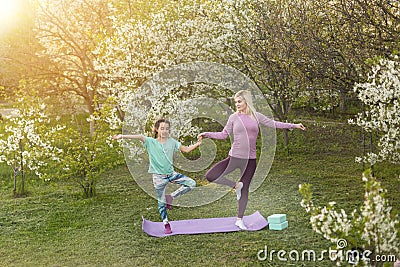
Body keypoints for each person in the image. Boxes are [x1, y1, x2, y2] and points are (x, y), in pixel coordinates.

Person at [198, 90, 306, 230]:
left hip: (250, 160)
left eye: (239, 101)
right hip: (234, 157)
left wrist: (294, 125)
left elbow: (274, 124)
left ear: (246, 102)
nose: (237, 104)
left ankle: (239, 219)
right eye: (236, 101)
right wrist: (206, 134)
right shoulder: (233, 117)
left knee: (245, 190)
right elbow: (223, 135)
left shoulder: (256, 116)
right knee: (210, 175)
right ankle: (235, 186)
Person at [113, 118, 202, 234]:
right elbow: (140, 136)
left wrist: (198, 143)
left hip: (171, 174)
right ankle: (166, 223)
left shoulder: (172, 142)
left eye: (167, 129)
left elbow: (186, 149)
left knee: (192, 183)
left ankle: (171, 197)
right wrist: (121, 136)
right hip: (158, 178)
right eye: (162, 128)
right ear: (157, 129)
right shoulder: (151, 142)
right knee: (161, 201)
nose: (164, 131)